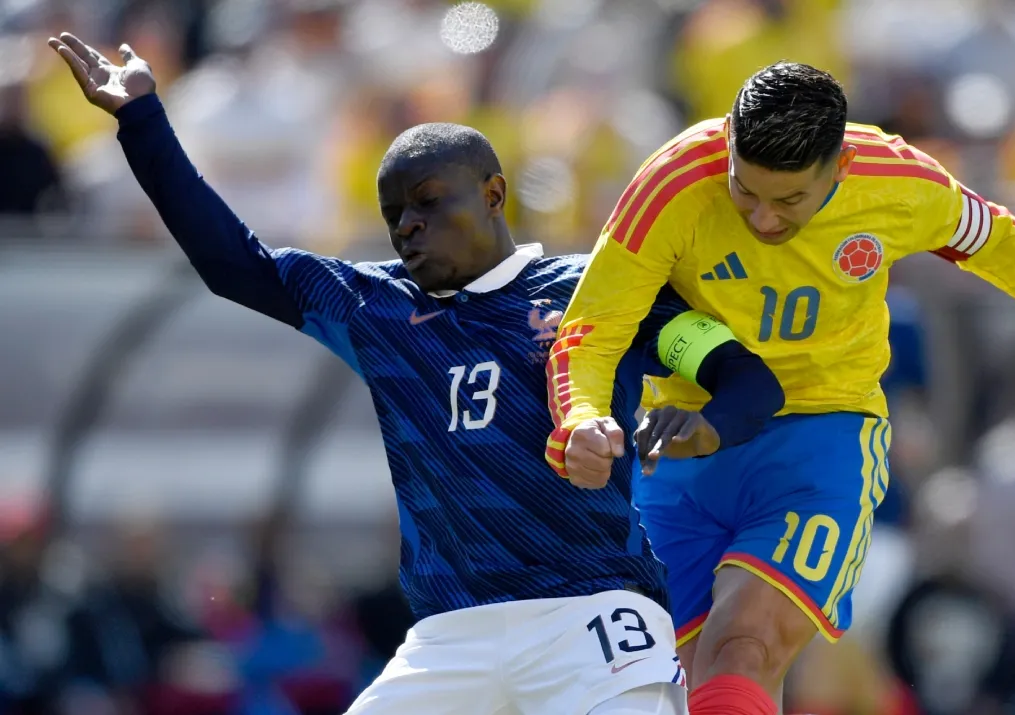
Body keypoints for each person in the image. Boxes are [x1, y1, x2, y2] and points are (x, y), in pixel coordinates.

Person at [46, 33, 784, 715]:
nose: (407, 227)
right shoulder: (376, 306)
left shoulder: (599, 288)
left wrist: (700, 425)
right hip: (448, 637)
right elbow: (234, 264)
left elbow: (745, 379)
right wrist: (142, 121)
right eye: (394, 213)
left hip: (590, 616)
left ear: (494, 194)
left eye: (428, 203)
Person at [545, 61, 1015, 715]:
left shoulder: (901, 186)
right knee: (669, 679)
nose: (763, 218)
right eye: (745, 192)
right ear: (730, 137)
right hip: (679, 441)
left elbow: (1010, 250)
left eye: (789, 200)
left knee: (744, 645)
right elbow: (593, 326)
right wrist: (585, 419)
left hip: (823, 435)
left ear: (841, 163)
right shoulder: (673, 182)